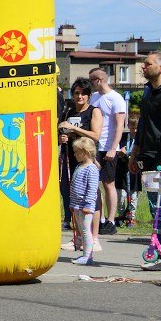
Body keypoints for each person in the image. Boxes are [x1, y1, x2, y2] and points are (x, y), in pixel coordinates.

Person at [130, 51, 161, 268]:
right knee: (155, 207)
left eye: (147, 64)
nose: (143, 67)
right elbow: (142, 126)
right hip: (148, 159)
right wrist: (134, 153)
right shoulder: (148, 92)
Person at [58, 78, 102, 247]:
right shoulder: (68, 112)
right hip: (71, 157)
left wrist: (75, 129)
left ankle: (94, 238)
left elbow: (96, 135)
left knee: (92, 198)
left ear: (89, 96)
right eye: (76, 93)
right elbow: (62, 132)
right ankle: (78, 237)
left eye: (83, 93)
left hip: (89, 160)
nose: (80, 96)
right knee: (74, 198)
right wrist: (62, 137)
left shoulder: (94, 111)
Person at [88, 68, 127, 236]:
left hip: (109, 147)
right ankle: (101, 218)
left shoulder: (115, 98)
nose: (90, 84)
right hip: (96, 146)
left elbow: (120, 125)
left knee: (108, 183)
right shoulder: (95, 98)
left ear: (99, 80)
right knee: (94, 184)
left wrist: (113, 147)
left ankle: (111, 220)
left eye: (91, 81)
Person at [68, 137, 100, 267]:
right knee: (82, 230)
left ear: (85, 152)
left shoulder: (91, 169)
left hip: (85, 207)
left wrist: (88, 205)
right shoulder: (79, 167)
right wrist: (72, 204)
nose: (74, 154)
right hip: (77, 205)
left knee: (86, 230)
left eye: (76, 152)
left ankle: (88, 256)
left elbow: (92, 190)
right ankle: (85, 254)